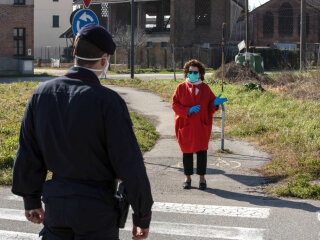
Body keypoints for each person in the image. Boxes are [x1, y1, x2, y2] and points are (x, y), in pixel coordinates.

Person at [11, 23, 153, 240]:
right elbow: (128, 161)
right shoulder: (108, 102)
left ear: (75, 53)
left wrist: (30, 199)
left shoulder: (41, 95)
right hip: (97, 209)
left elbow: (28, 152)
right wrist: (142, 215)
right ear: (104, 61)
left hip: (56, 206)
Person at [172, 59, 228, 190]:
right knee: (187, 152)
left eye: (195, 72)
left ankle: (202, 178)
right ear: (186, 73)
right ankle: (187, 178)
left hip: (201, 125)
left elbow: (210, 104)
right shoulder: (180, 88)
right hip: (186, 125)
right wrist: (187, 111)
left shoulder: (205, 88)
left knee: (202, 151)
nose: (192, 74)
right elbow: (175, 105)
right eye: (190, 72)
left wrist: (215, 103)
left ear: (200, 73)